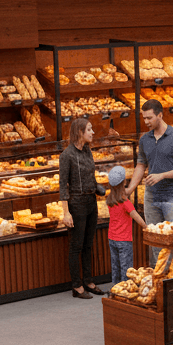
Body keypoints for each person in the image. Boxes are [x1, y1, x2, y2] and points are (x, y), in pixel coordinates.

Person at [127, 99, 173, 234]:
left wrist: (162, 175)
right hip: (151, 197)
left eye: (149, 118)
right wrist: (130, 189)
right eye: (144, 118)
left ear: (160, 115)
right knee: (154, 237)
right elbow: (141, 166)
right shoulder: (144, 139)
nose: (146, 122)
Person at [59, 117, 103, 299]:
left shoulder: (87, 150)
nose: (93, 132)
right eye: (89, 129)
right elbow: (63, 185)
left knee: (88, 245)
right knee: (76, 246)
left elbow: (91, 175)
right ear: (80, 132)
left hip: (91, 201)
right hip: (76, 203)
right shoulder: (67, 155)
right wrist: (66, 212)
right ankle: (77, 285)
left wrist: (97, 187)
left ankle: (88, 281)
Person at [105, 165, 146, 285]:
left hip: (112, 238)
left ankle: (116, 286)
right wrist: (146, 227)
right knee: (126, 267)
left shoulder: (110, 200)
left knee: (116, 265)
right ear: (124, 182)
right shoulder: (125, 202)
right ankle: (126, 288)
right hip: (124, 240)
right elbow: (136, 216)